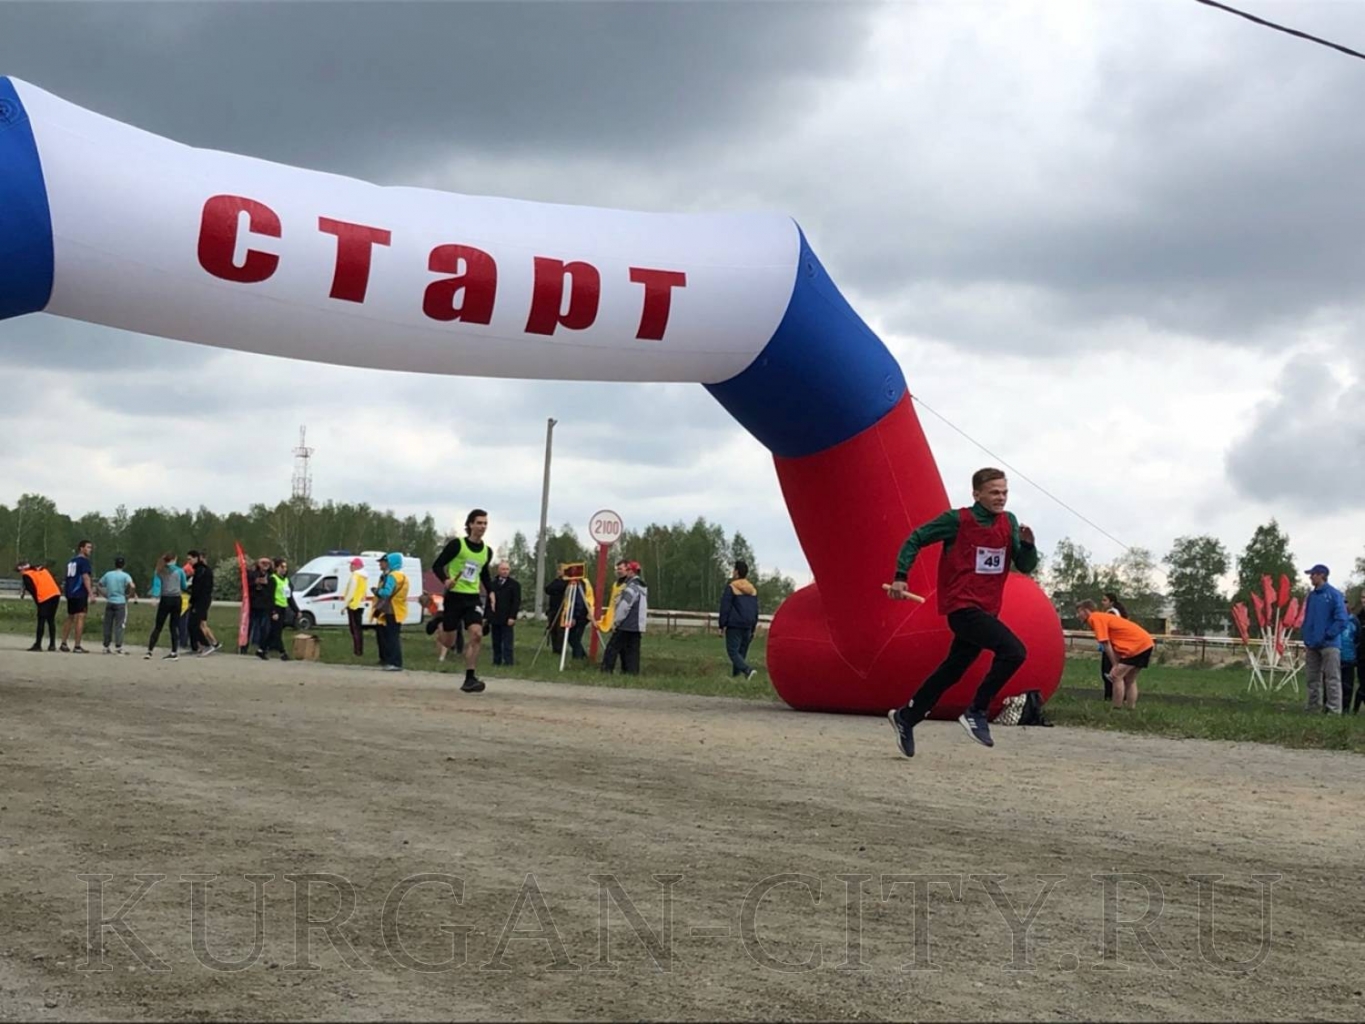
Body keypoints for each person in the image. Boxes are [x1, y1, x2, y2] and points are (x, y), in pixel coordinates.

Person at [884, 467, 1038, 757]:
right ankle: (976, 711)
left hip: (987, 609)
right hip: (962, 607)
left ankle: (907, 717)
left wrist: (1028, 546)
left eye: (1004, 492)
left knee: (953, 669)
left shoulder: (1009, 522)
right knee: (1014, 652)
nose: (1001, 497)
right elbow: (916, 538)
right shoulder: (957, 520)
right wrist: (901, 575)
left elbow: (1025, 566)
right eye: (994, 492)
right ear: (976, 494)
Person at [432, 510, 496, 692]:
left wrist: (491, 591)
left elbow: (484, 573)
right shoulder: (457, 545)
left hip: (472, 598)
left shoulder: (486, 551)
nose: (482, 526)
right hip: (454, 596)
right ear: (470, 525)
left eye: (485, 523)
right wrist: (446, 580)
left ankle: (470, 678)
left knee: (477, 634)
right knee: (449, 643)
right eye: (479, 523)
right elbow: (437, 565)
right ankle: (440, 624)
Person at [1077, 599, 1153, 709]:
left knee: (1116, 676)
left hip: (1136, 645)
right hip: (1145, 643)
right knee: (1130, 679)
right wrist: (1117, 661)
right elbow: (1113, 644)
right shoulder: (1102, 617)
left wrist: (1115, 665)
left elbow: (1105, 643)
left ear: (1086, 610)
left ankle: (1117, 707)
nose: (1077, 615)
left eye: (1079, 612)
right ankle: (1130, 708)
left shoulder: (1095, 618)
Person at [1302, 563, 1349, 714]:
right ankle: (1313, 707)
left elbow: (1342, 619)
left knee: (1332, 677)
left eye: (1313, 574)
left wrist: (1328, 634)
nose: (1310, 577)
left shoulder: (1334, 595)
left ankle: (1334, 709)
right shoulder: (1311, 596)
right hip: (1312, 643)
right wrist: (1307, 636)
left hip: (1330, 644)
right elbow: (1308, 618)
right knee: (1312, 678)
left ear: (1322, 575)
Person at [604, 561, 648, 675]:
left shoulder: (631, 587)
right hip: (637, 625)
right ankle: (632, 673)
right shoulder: (642, 586)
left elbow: (624, 606)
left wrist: (616, 621)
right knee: (632, 651)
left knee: (612, 648)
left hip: (626, 624)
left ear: (632, 572)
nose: (626, 572)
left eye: (627, 570)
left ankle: (606, 671)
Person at [718, 560, 760, 679]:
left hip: (735, 624)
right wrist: (753, 627)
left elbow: (725, 607)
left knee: (732, 651)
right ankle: (736, 677)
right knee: (741, 653)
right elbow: (756, 609)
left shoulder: (732, 587)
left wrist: (722, 625)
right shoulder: (753, 590)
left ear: (736, 572)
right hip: (748, 625)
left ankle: (748, 670)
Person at [145, 552, 188, 660]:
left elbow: (157, 586)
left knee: (158, 626)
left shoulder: (160, 570)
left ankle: (149, 651)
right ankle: (174, 652)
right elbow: (184, 585)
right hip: (177, 599)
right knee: (174, 626)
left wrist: (155, 597)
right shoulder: (180, 571)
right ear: (174, 560)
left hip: (165, 599)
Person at [372, 551, 409, 671]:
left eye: (387, 561)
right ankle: (394, 661)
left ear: (392, 562)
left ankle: (394, 662)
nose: (385, 563)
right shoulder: (403, 576)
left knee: (391, 637)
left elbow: (386, 592)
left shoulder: (392, 576)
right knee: (394, 636)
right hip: (399, 608)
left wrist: (377, 591)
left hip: (391, 609)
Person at [546, 564, 590, 662]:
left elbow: (578, 601)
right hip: (559, 610)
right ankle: (579, 656)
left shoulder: (578, 583)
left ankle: (579, 657)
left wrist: (574, 616)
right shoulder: (561, 582)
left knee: (573, 637)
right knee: (569, 636)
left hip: (579, 614)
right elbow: (548, 589)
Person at [16, 560, 61, 652]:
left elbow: (33, 591)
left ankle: (38, 644)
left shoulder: (27, 575)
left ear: (23, 569)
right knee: (51, 619)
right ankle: (52, 644)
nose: (20, 573)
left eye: (19, 571)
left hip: (44, 596)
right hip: (55, 593)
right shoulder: (41, 569)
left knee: (41, 620)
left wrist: (38, 603)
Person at [59, 539, 95, 653]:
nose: (90, 550)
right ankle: (77, 645)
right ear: (81, 548)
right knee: (80, 617)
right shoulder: (84, 562)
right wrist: (91, 593)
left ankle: (63, 642)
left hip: (71, 592)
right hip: (79, 592)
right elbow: (85, 577)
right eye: (88, 547)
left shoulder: (71, 561)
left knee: (70, 617)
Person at [97, 556, 137, 655]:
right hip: (120, 602)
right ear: (123, 565)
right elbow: (132, 586)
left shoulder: (108, 574)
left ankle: (106, 646)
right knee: (119, 625)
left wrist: (104, 594)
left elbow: (99, 585)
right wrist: (130, 595)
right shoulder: (125, 575)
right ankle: (118, 646)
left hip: (110, 601)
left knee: (108, 624)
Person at [256, 557, 294, 661]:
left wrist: (296, 610)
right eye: (282, 567)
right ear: (276, 568)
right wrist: (273, 612)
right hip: (275, 608)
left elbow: (289, 597)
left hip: (283, 608)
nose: (284, 569)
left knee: (274, 632)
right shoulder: (273, 579)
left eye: (285, 567)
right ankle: (283, 653)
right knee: (277, 633)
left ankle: (261, 650)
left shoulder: (286, 580)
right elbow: (269, 597)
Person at [597, 559, 629, 673]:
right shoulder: (616, 584)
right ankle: (626, 670)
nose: (618, 571)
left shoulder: (628, 585)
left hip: (624, 619)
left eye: (621, 569)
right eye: (617, 569)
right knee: (622, 647)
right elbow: (612, 603)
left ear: (627, 569)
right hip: (615, 618)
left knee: (613, 646)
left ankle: (607, 669)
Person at [487, 561, 522, 666]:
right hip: (495, 617)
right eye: (503, 569)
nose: (505, 571)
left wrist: (512, 616)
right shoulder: (493, 584)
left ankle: (508, 661)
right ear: (498, 570)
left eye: (507, 569)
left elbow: (516, 602)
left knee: (507, 641)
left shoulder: (514, 585)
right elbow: (489, 601)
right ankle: (496, 660)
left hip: (507, 617)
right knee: (496, 640)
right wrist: (487, 616)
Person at [186, 550, 220, 656]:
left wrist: (192, 601)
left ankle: (206, 645)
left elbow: (198, 588)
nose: (189, 561)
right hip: (202, 600)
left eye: (190, 559)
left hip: (201, 601)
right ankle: (197, 646)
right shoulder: (200, 570)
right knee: (195, 624)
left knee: (194, 624)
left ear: (196, 558)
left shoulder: (201, 571)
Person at [1097, 592, 1128, 701]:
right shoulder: (1117, 612)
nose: (1102, 602)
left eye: (1105, 600)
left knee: (1109, 672)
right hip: (1116, 646)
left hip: (1112, 646)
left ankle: (1111, 696)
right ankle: (1117, 696)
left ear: (1111, 602)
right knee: (1114, 673)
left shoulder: (1112, 613)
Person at [244, 557, 273, 654]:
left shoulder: (271, 576)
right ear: (258, 564)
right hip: (253, 604)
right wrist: (255, 582)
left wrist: (267, 583)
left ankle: (262, 647)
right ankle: (244, 646)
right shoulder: (252, 574)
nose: (265, 565)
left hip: (265, 605)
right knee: (249, 626)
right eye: (263, 563)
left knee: (264, 628)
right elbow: (245, 586)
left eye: (268, 563)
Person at [340, 557, 369, 657]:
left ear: (357, 566)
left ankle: (357, 650)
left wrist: (344, 605)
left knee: (354, 629)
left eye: (352, 565)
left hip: (353, 605)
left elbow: (351, 592)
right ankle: (359, 649)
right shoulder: (363, 577)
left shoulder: (355, 576)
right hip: (360, 604)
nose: (350, 566)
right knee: (358, 628)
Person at [1341, 607, 1359, 715]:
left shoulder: (1354, 622)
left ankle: (1346, 708)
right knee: (1333, 683)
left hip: (1350, 658)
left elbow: (1358, 639)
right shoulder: (1334, 619)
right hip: (1336, 657)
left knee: (1348, 685)